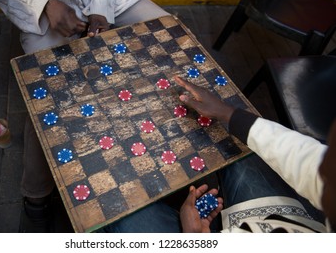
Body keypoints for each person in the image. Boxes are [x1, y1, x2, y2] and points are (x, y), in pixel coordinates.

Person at [0, 0, 170, 231]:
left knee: (172, 46)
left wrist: (101, 9)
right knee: (47, 102)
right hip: (45, 15)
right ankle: (36, 197)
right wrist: (47, 3)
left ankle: (170, 153)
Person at [102, 76, 335, 233]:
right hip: (281, 222)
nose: (320, 164)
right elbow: (310, 159)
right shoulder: (324, 173)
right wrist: (228, 113)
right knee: (240, 146)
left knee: (120, 211)